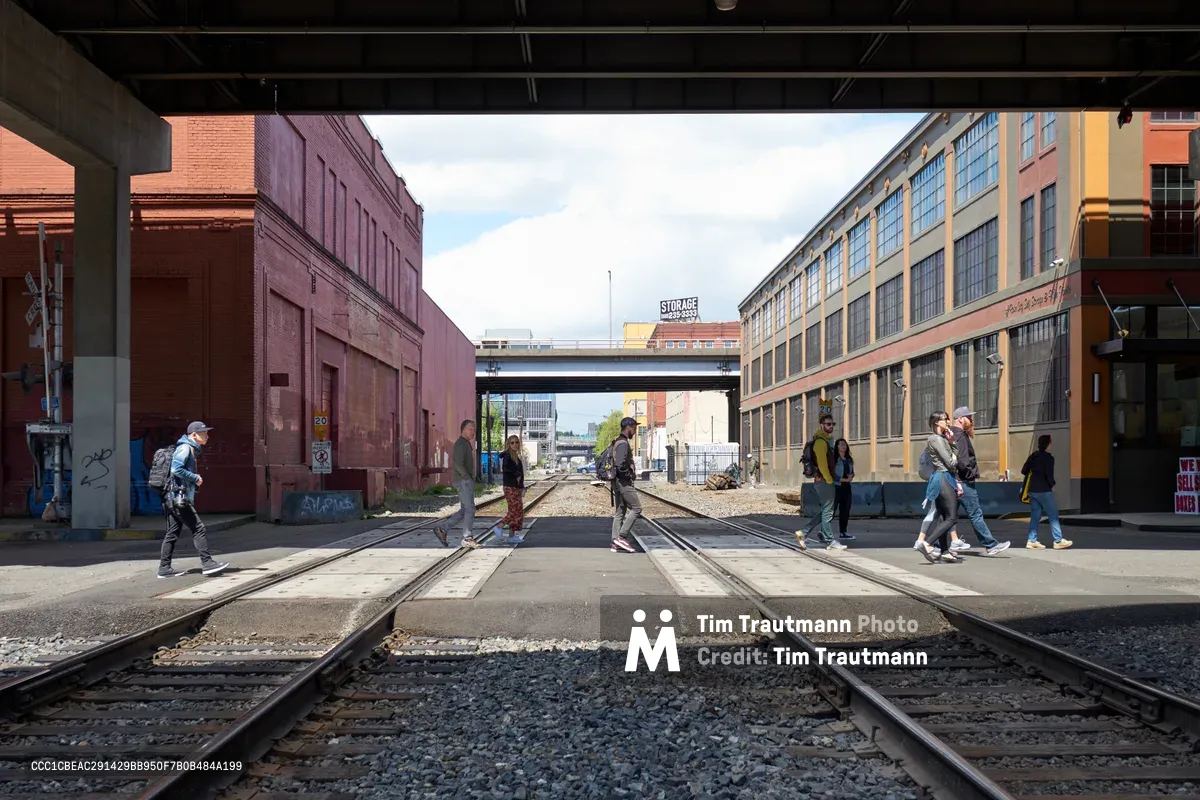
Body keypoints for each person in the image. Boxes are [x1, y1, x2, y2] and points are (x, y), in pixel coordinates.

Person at [157, 422, 229, 578]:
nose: (207, 436)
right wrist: (195, 477)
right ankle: (208, 564)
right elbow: (176, 469)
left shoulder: (188, 448)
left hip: (172, 497)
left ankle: (164, 569)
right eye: (204, 433)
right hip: (178, 498)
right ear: (194, 435)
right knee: (198, 528)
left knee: (172, 533)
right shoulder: (185, 448)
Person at [948, 407, 1011, 556]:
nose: (971, 420)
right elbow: (962, 461)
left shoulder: (952, 434)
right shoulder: (960, 435)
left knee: (948, 516)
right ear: (960, 419)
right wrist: (970, 474)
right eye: (969, 417)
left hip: (953, 481)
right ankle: (990, 545)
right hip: (964, 481)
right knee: (975, 514)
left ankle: (936, 545)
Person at [917, 412, 964, 564]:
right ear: (937, 422)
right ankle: (927, 543)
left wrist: (952, 442)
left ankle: (945, 551)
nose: (948, 422)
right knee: (952, 517)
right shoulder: (935, 439)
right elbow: (950, 462)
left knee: (943, 516)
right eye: (945, 419)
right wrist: (953, 460)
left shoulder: (943, 438)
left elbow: (955, 455)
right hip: (942, 477)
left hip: (946, 477)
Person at [799, 413, 844, 551]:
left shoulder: (825, 440)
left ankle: (803, 533)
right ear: (821, 425)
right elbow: (823, 465)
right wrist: (830, 480)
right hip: (824, 481)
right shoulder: (820, 442)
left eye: (832, 424)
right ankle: (829, 540)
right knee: (828, 512)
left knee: (826, 510)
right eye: (828, 424)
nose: (831, 426)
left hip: (823, 480)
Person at [1022, 434, 1073, 550]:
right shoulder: (1049, 458)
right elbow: (1049, 475)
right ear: (1048, 444)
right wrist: (1051, 484)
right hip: (1044, 490)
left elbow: (1023, 470)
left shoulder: (1033, 456)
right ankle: (1058, 540)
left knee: (1035, 516)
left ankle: (1032, 540)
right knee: (1053, 515)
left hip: (1032, 490)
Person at [434, 420, 479, 548]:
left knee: (465, 509)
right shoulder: (460, 444)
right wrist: (467, 478)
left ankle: (442, 529)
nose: (473, 432)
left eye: (474, 430)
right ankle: (467, 538)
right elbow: (458, 463)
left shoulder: (465, 443)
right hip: (463, 480)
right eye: (471, 429)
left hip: (463, 480)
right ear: (463, 430)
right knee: (470, 508)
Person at [610, 417, 642, 553]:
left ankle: (615, 542)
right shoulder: (623, 443)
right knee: (637, 508)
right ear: (628, 427)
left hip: (616, 481)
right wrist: (628, 476)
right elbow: (620, 464)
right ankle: (622, 537)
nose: (635, 431)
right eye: (634, 428)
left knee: (620, 512)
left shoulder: (617, 442)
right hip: (623, 482)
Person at [495, 434, 526, 544]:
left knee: (518, 512)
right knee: (514, 510)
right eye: (512, 442)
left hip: (516, 487)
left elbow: (521, 474)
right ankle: (499, 526)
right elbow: (506, 468)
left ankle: (512, 536)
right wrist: (516, 474)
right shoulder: (507, 456)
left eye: (516, 442)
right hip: (510, 487)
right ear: (508, 444)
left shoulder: (516, 457)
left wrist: (522, 487)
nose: (515, 444)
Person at [831, 438, 856, 541]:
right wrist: (844, 479)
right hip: (836, 487)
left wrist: (851, 476)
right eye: (841, 444)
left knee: (845, 510)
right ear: (837, 447)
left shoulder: (849, 459)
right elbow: (833, 475)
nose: (843, 446)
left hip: (846, 488)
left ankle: (843, 532)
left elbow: (852, 471)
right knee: (831, 511)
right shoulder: (834, 459)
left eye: (845, 444)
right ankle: (825, 532)